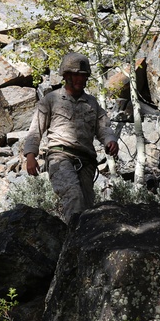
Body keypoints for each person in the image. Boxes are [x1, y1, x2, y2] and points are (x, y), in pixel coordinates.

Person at [23, 52, 119, 228]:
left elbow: (104, 127)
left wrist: (110, 141)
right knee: (73, 195)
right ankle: (74, 241)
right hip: (59, 157)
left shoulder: (92, 103)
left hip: (87, 163)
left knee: (87, 210)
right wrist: (30, 156)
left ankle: (80, 246)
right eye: (76, 75)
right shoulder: (50, 100)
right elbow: (35, 129)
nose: (80, 79)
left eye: (84, 76)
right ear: (66, 76)